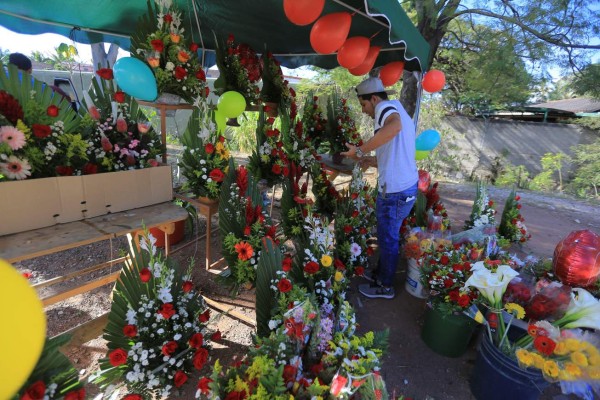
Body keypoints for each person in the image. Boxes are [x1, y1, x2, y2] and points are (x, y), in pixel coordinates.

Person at [341, 76, 418, 299]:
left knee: (388, 239)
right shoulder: (398, 109)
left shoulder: (386, 107)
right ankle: (380, 274)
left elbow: (393, 128)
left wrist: (360, 151)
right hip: (404, 187)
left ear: (374, 99)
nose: (364, 111)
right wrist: (373, 161)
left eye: (364, 105)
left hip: (395, 192)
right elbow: (397, 152)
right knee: (388, 236)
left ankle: (385, 286)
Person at [8, 52, 75, 109]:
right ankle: (74, 104)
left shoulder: (4, 78)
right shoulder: (33, 85)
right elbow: (54, 99)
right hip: (36, 113)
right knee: (64, 89)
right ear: (29, 70)